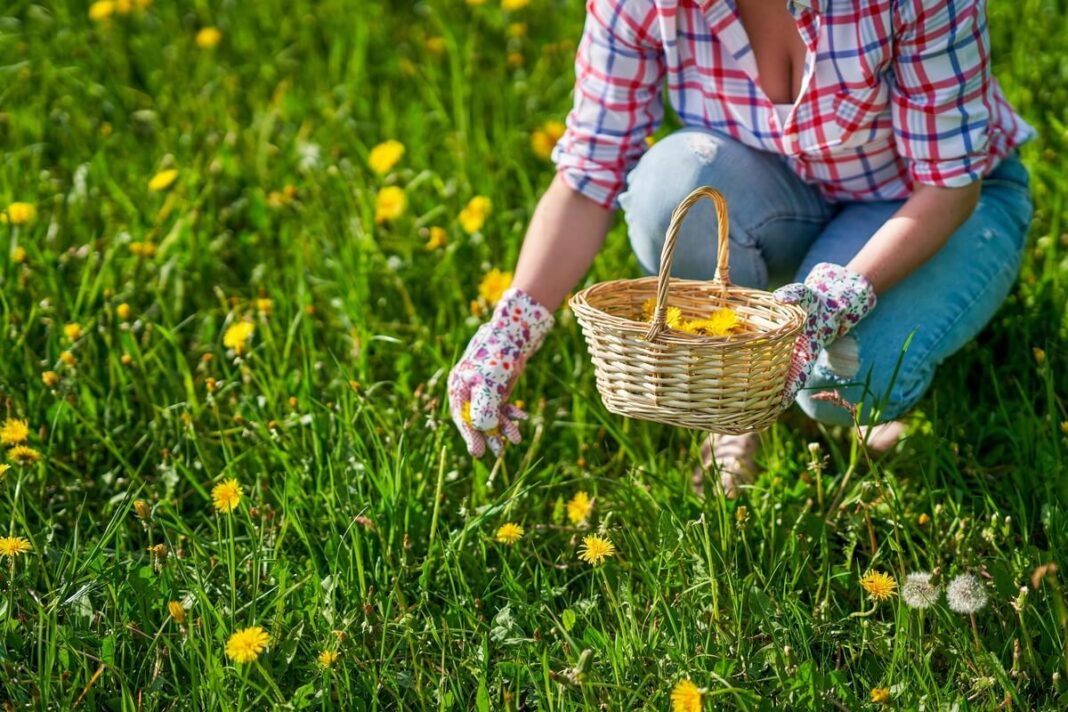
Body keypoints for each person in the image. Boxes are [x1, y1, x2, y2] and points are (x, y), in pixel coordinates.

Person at [447, 0, 1034, 496]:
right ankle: (744, 402)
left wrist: (828, 306)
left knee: (847, 379)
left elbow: (948, 188)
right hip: (778, 197)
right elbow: (588, 175)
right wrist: (510, 333)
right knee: (670, 185)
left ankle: (839, 398)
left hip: (932, 205)